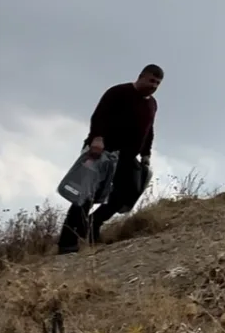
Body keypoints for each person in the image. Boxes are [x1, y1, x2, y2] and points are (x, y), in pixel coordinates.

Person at [57, 64, 163, 254]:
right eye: (151, 80)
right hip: (103, 151)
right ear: (141, 77)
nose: (154, 85)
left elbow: (149, 129)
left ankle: (93, 224)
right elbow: (99, 116)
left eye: (157, 83)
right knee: (85, 195)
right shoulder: (119, 92)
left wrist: (146, 154)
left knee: (127, 193)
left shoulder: (152, 104)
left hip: (127, 157)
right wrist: (97, 138)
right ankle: (67, 244)